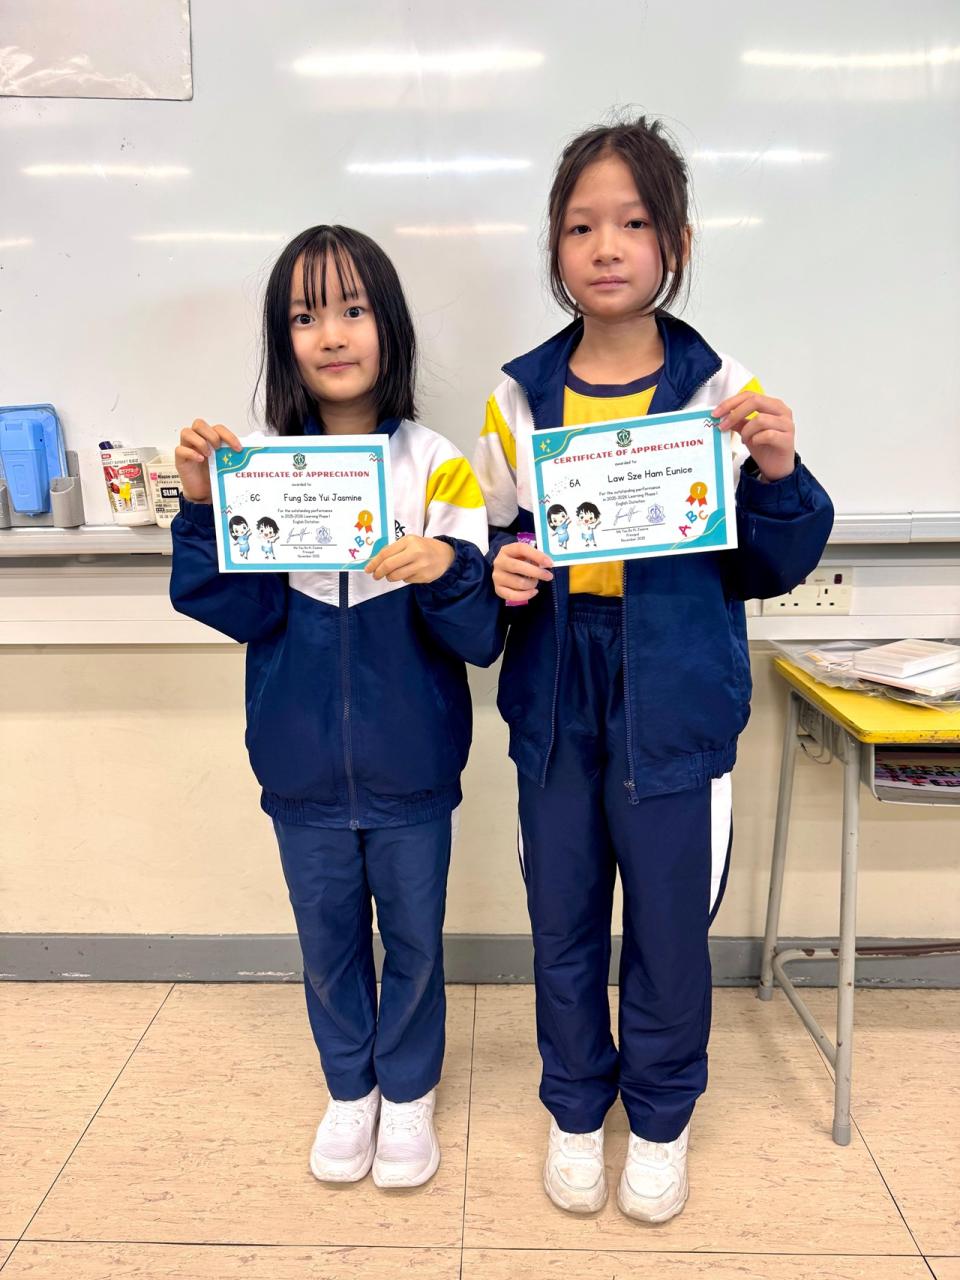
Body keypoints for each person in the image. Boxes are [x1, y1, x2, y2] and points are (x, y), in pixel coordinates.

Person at [473, 116, 834, 1222]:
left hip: (673, 684)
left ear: (673, 241)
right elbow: (488, 539)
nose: (606, 246)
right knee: (564, 917)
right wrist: (500, 570)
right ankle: (577, 1108)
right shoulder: (518, 395)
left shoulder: (720, 388)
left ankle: (663, 1119)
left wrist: (778, 470)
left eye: (632, 223)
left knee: (671, 928)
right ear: (555, 246)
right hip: (558, 689)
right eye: (581, 226)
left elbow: (770, 561)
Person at [170, 224, 498, 1191]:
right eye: (305, 316)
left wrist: (445, 568)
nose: (332, 334)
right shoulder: (264, 469)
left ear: (388, 325)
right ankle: (350, 1089)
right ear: (285, 341)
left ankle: (410, 1091)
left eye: (353, 309)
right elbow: (237, 609)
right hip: (300, 765)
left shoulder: (437, 465)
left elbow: (480, 634)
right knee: (326, 943)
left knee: (415, 941)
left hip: (413, 764)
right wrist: (202, 505)